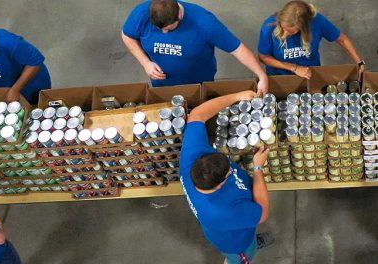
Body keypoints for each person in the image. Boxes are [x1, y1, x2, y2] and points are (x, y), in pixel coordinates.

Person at [180, 90, 272, 264]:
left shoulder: (190, 157)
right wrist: (258, 167)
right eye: (229, 172)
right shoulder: (222, 212)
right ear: (221, 184)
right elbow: (263, 212)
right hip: (236, 243)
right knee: (240, 257)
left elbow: (197, 115)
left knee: (247, 232)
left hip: (236, 224)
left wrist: (237, 96)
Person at [122, 0, 268, 94]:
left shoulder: (205, 24)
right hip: (162, 84)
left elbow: (238, 50)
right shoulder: (141, 13)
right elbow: (127, 35)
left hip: (198, 83)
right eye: (159, 28)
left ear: (179, 15)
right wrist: (146, 63)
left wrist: (262, 75)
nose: (164, 32)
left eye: (169, 29)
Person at [257, 0, 365, 79]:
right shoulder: (269, 26)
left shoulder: (317, 21)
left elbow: (342, 39)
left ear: (305, 28)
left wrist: (360, 63)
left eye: (291, 32)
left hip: (310, 74)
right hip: (280, 76)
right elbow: (263, 57)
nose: (285, 34)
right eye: (283, 28)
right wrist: (294, 68)